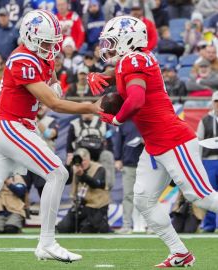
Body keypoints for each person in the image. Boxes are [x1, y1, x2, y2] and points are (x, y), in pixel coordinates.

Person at [0, 9, 101, 263]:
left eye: (53, 42)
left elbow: (52, 81)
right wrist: (91, 107)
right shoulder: (22, 60)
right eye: (46, 42)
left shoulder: (43, 57)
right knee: (58, 172)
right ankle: (47, 243)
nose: (51, 48)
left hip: (13, 127)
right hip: (11, 126)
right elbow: (55, 104)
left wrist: (53, 80)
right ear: (29, 38)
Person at [87, 15, 218, 268]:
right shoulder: (134, 59)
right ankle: (179, 252)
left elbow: (135, 99)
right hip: (155, 144)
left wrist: (116, 120)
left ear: (128, 41)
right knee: (144, 200)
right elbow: (124, 74)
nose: (109, 48)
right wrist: (103, 76)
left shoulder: (134, 60)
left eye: (113, 42)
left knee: (200, 196)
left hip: (173, 140)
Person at [57, 148, 110, 233]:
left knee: (86, 230)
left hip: (96, 207)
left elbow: (96, 184)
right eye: (80, 160)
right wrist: (67, 165)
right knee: (63, 228)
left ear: (89, 159)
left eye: (84, 160)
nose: (82, 163)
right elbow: (65, 181)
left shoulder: (99, 168)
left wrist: (83, 175)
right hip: (80, 206)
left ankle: (100, 224)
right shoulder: (75, 167)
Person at [113, 120, 144, 234]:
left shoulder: (149, 119)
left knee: (149, 196)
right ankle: (126, 225)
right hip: (129, 163)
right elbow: (118, 141)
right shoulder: (123, 123)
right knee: (128, 195)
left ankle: (152, 227)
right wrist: (117, 158)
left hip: (147, 165)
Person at [197, 91, 218, 232]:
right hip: (209, 161)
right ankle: (209, 225)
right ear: (212, 102)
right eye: (216, 101)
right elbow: (199, 142)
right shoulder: (204, 120)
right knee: (211, 193)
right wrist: (197, 163)